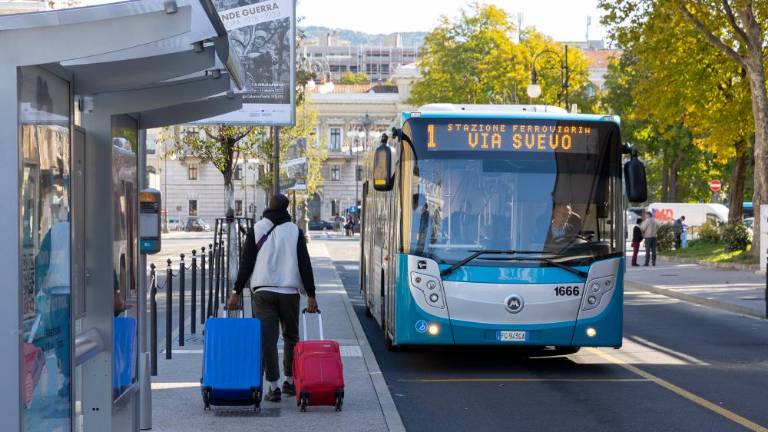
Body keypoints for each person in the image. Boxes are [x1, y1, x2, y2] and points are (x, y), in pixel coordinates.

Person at [227, 194, 318, 403]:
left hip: (263, 292)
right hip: (289, 291)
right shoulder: (295, 231)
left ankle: (273, 386)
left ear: (269, 206)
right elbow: (305, 265)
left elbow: (247, 263)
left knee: (268, 339)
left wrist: (236, 290)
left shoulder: (257, 228)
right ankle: (289, 381)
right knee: (291, 337)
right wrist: (311, 295)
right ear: (287, 208)